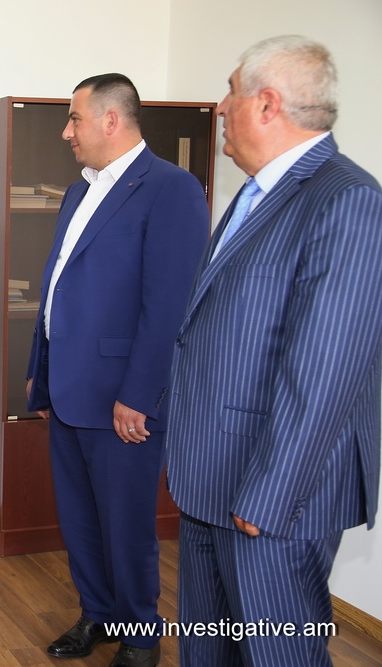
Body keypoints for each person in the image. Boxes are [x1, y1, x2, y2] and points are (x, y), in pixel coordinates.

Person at [166, 35, 382, 667]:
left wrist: (271, 494)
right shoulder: (257, 191)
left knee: (276, 654)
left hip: (272, 496)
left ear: (266, 104)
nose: (219, 106)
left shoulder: (346, 200)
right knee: (209, 651)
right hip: (212, 477)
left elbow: (326, 370)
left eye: (230, 91)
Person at [25, 74, 209, 667]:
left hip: (121, 398)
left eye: (74, 118)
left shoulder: (171, 189)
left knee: (126, 526)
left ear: (111, 119)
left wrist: (140, 395)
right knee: (80, 519)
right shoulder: (79, 192)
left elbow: (169, 306)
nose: (66, 131)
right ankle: (97, 614)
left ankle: (139, 637)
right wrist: (40, 371)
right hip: (67, 387)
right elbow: (57, 287)